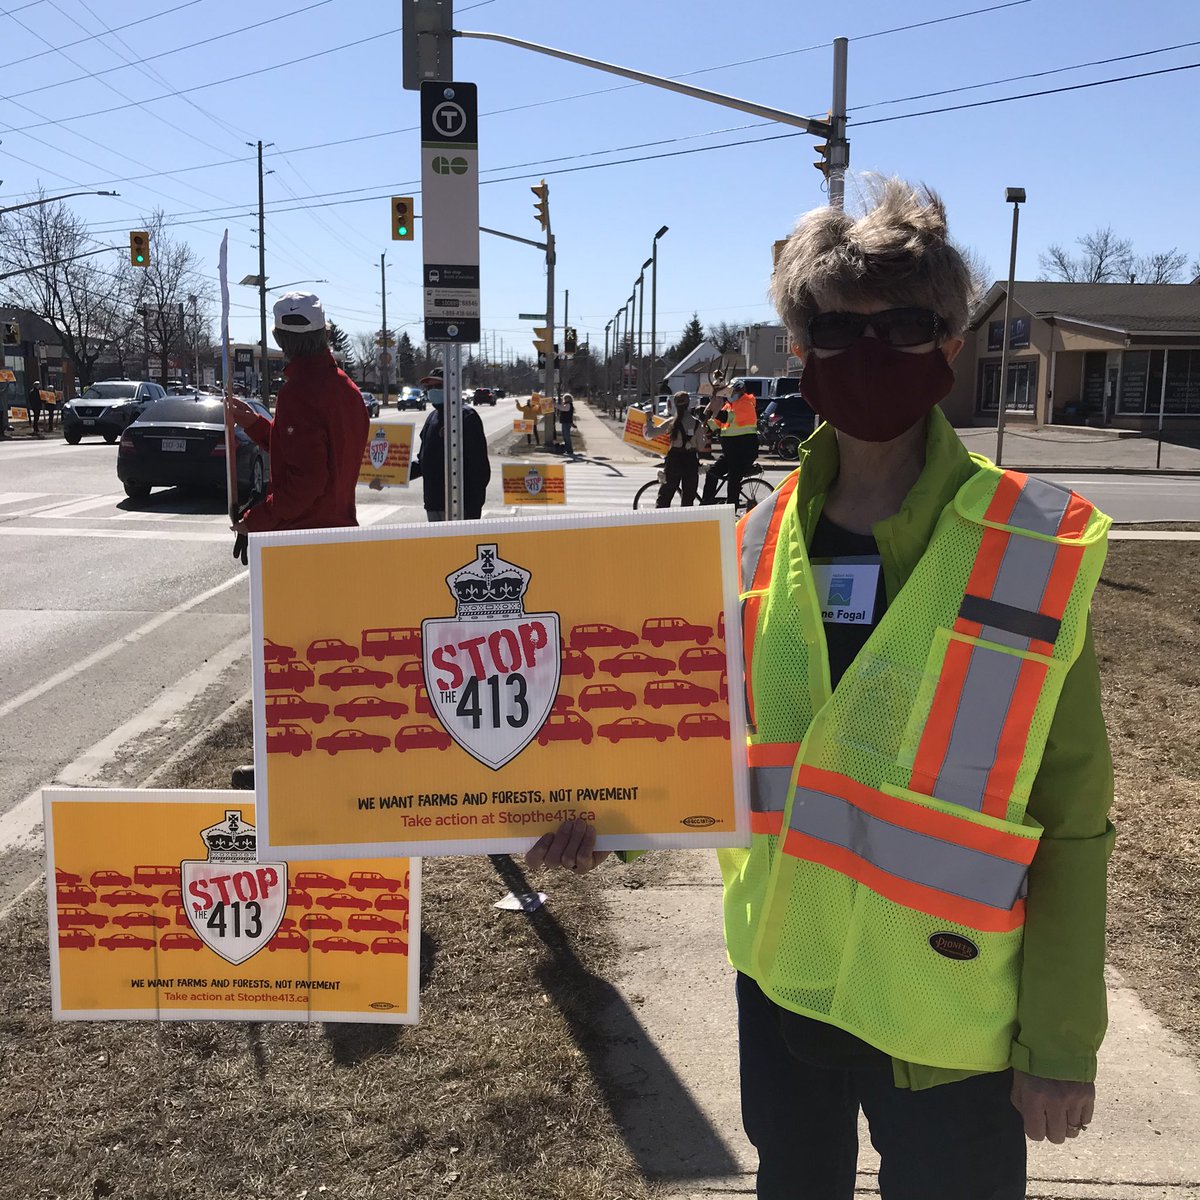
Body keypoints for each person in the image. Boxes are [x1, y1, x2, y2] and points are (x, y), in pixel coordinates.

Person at [529, 178, 1114, 1200]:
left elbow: (1073, 821)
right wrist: (606, 818)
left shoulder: (1031, 548)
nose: (869, 354)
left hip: (945, 1012)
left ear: (950, 345)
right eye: (837, 335)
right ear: (797, 351)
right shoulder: (754, 541)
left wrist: (1061, 1039)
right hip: (784, 979)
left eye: (903, 326)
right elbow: (710, 745)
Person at [226, 291, 368, 533]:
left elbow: (307, 482)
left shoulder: (299, 393)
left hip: (304, 540)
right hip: (340, 532)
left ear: (279, 339)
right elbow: (309, 450)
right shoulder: (347, 388)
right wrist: (255, 425)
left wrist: (256, 520)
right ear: (325, 333)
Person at [410, 374, 491, 521]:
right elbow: (424, 462)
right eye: (430, 387)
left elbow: (480, 468)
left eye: (438, 386)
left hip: (462, 507)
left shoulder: (466, 416)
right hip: (434, 504)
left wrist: (473, 507)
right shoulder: (431, 418)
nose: (433, 391)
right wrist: (391, 476)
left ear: (452, 387)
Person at [699, 380, 759, 505]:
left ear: (741, 391)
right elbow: (715, 424)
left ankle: (732, 508)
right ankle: (706, 504)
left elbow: (728, 417)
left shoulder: (746, 404)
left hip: (744, 452)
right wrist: (704, 421)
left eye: (733, 391)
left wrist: (715, 411)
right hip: (731, 453)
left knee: (733, 479)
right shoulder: (729, 405)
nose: (731, 394)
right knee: (712, 473)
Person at [656, 391, 703, 507]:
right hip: (690, 461)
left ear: (675, 404)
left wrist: (647, 420)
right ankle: (684, 523)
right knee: (688, 497)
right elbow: (701, 447)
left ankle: (660, 522)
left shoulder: (671, 422)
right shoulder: (697, 423)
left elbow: (650, 433)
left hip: (674, 460)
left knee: (665, 495)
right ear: (689, 404)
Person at [555, 392, 576, 456]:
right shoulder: (566, 404)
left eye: (567, 398)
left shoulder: (569, 405)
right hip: (565, 422)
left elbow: (563, 409)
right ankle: (567, 448)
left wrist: (554, 405)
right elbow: (562, 408)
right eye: (565, 398)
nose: (566, 399)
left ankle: (569, 449)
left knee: (567, 436)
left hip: (567, 422)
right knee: (565, 436)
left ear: (570, 399)